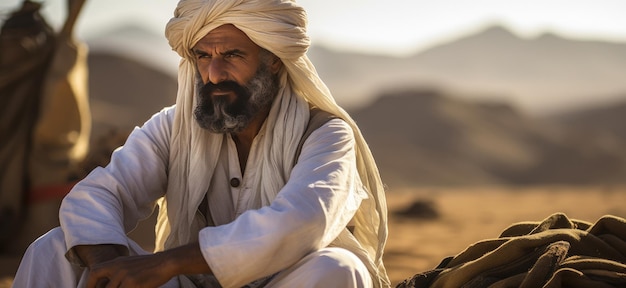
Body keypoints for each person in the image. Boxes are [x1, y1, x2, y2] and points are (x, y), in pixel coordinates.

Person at [13, 0, 390, 287]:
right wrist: (108, 267)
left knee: (338, 269)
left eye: (231, 55)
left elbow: (306, 220)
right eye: (203, 56)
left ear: (274, 60)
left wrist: (165, 264)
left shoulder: (324, 134)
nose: (213, 74)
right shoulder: (172, 128)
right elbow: (97, 195)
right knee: (52, 249)